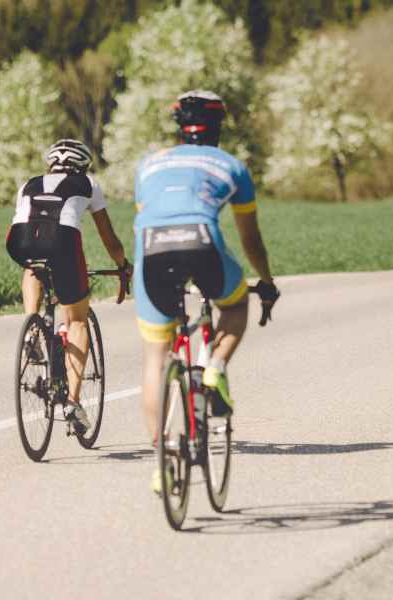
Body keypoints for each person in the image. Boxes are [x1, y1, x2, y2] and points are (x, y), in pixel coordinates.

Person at [133, 90, 278, 492]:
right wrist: (265, 280)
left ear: (178, 126)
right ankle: (214, 368)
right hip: (202, 241)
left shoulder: (148, 165)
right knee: (234, 307)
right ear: (219, 126)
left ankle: (161, 458)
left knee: (155, 358)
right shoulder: (232, 166)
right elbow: (251, 240)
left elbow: (149, 221)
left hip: (152, 250)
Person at [6, 139, 131, 433]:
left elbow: (28, 222)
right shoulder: (88, 183)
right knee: (76, 320)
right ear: (83, 164)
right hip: (62, 241)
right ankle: (73, 402)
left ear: (51, 164)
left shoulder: (28, 184)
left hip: (19, 239)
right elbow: (109, 238)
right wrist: (123, 265)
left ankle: (32, 325)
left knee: (33, 264)